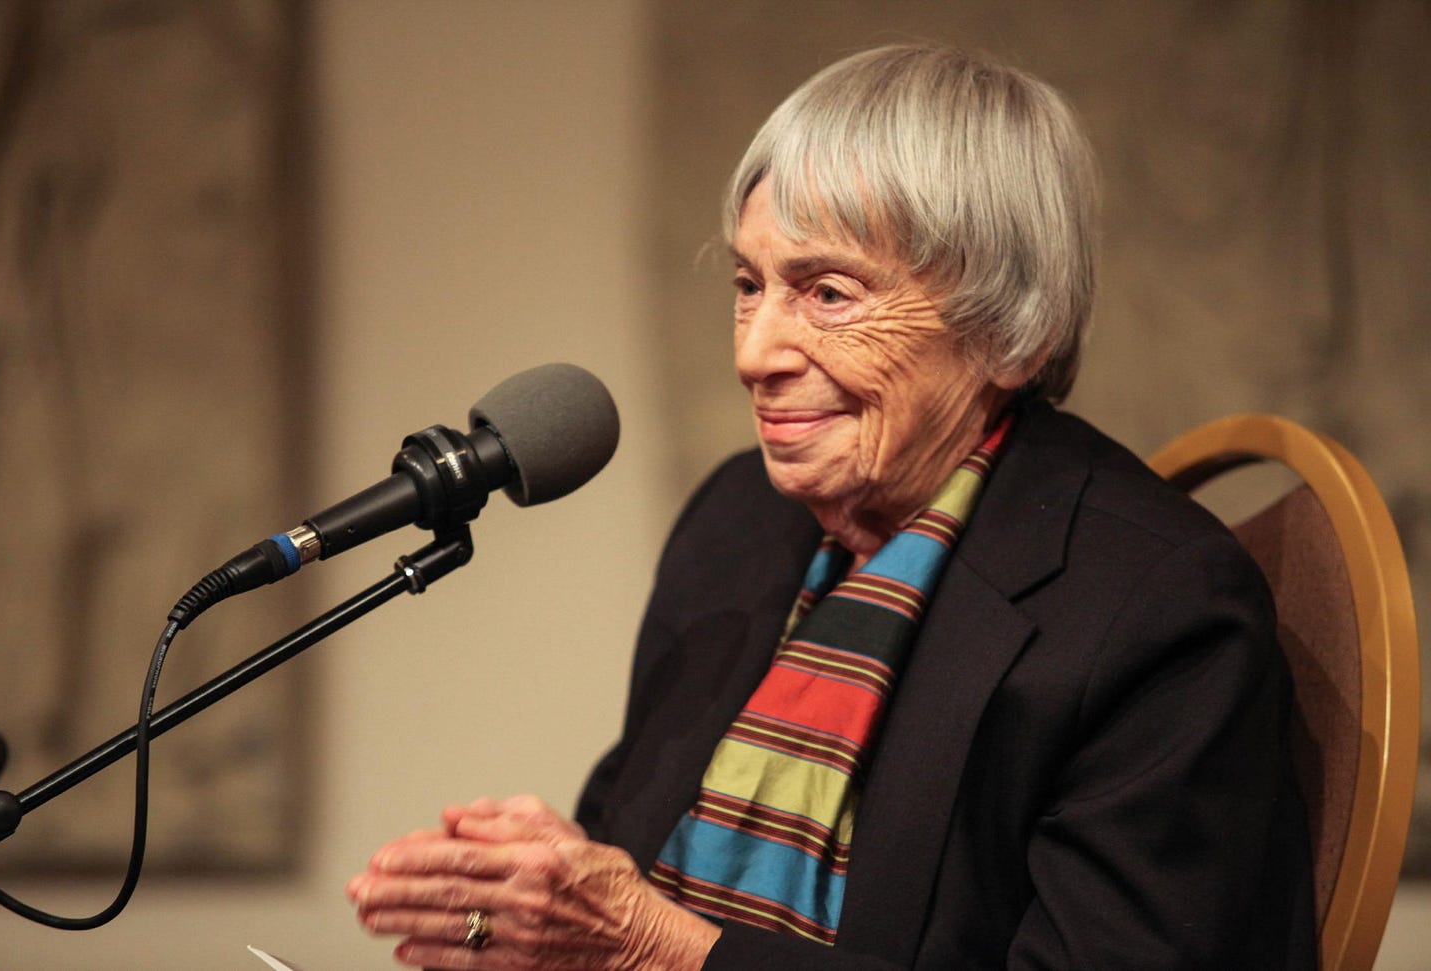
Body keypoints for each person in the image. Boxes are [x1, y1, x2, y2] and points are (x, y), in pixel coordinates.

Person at [346, 45, 1316, 969]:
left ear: (1011, 329)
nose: (754, 353)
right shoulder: (737, 521)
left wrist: (660, 948)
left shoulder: (1154, 607)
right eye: (747, 284)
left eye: (828, 293)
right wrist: (535, 909)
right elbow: (627, 859)